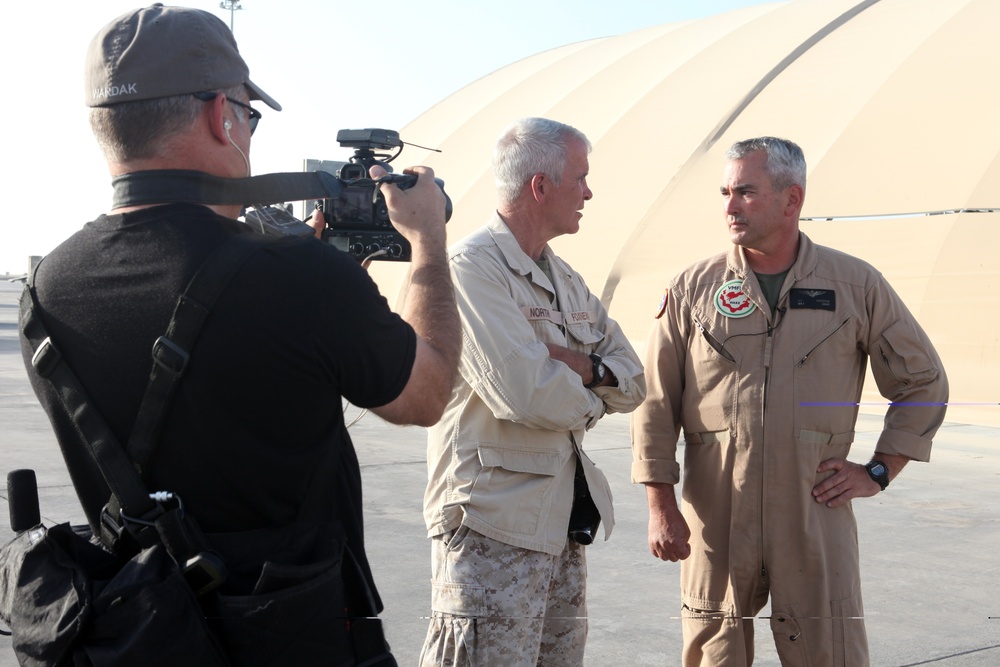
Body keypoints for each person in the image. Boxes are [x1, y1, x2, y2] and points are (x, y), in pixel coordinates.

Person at [19, 4, 458, 664]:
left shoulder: (45, 290)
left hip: (136, 634)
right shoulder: (301, 278)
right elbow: (424, 396)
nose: (248, 131)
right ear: (220, 115)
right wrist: (427, 243)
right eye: (248, 115)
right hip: (295, 636)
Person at [631, 136, 949, 666]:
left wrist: (878, 469)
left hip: (813, 509)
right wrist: (660, 504)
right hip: (717, 514)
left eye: (746, 192)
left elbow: (924, 381)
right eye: (726, 192)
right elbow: (656, 402)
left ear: (792, 199)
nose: (730, 206)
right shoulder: (693, 288)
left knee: (830, 653)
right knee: (714, 653)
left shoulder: (854, 285)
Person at [418, 117, 646, 666]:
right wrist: (594, 388)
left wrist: (579, 368)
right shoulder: (472, 269)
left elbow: (633, 379)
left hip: (558, 526)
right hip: (490, 528)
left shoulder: (564, 278)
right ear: (540, 186)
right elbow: (525, 394)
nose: (589, 192)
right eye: (580, 178)